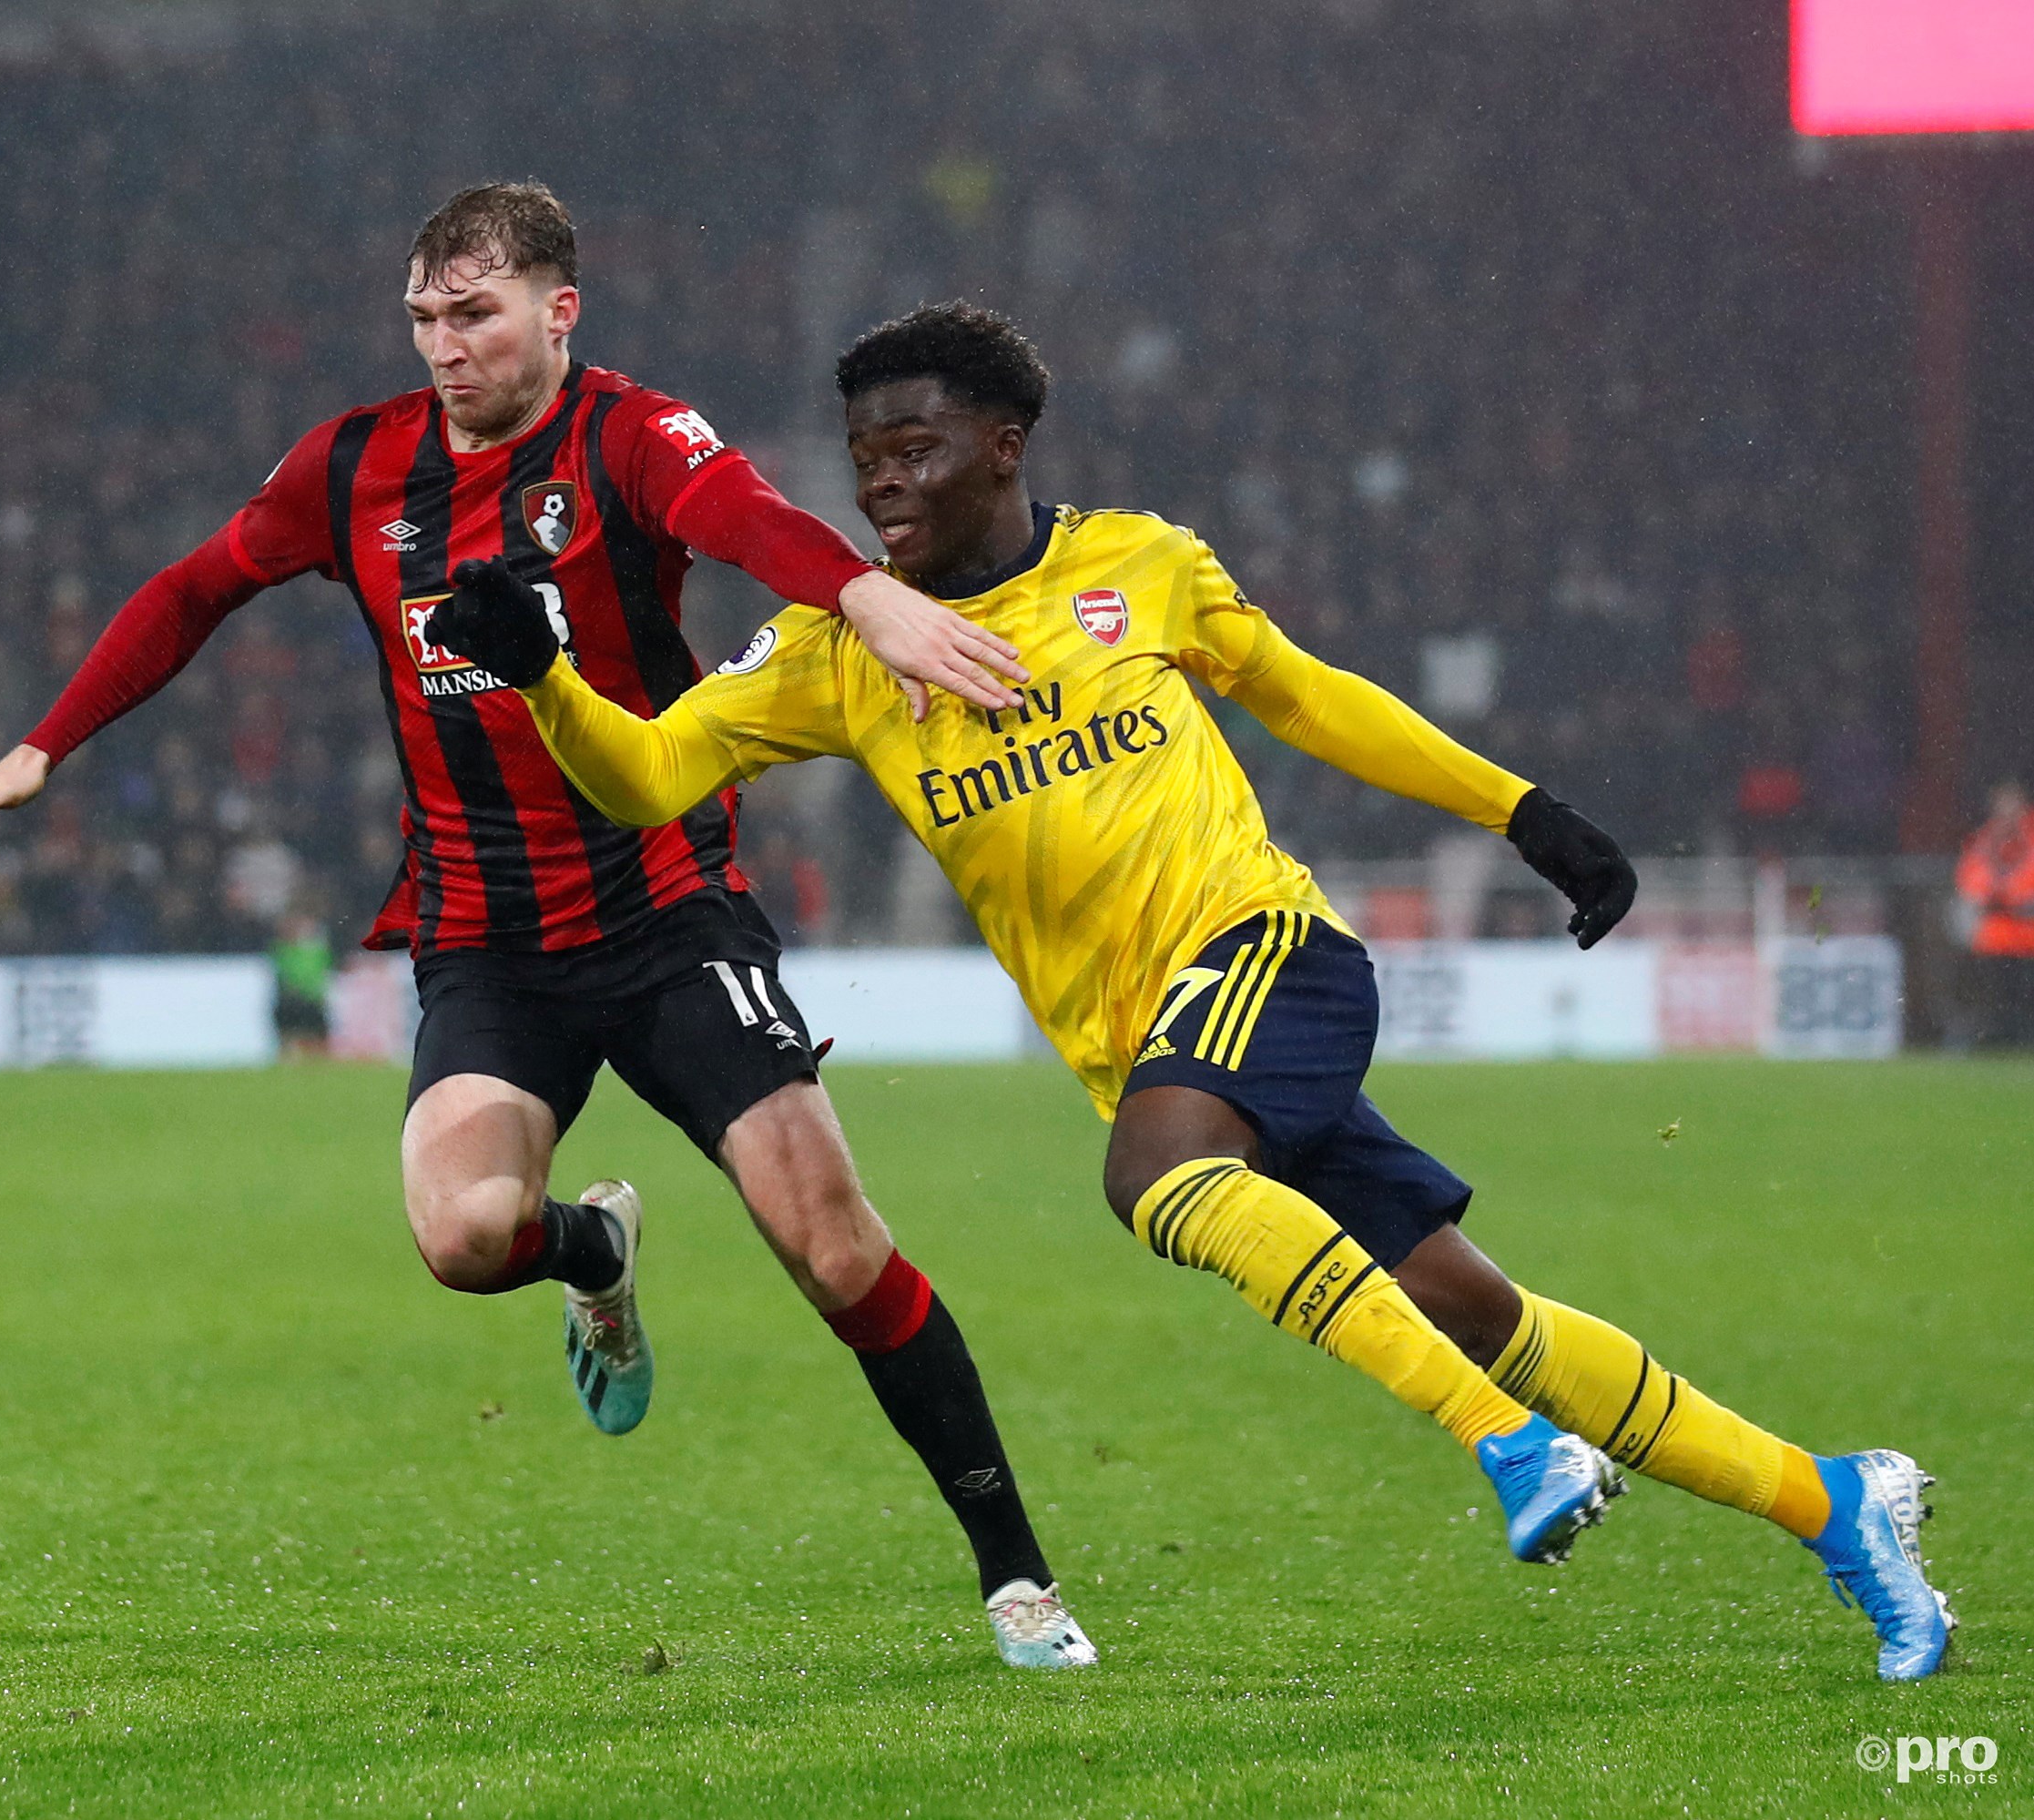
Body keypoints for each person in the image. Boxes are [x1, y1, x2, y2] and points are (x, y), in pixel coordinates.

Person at [436, 301, 1955, 1681]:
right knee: (1470, 1303)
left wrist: (1520, 811)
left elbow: (1310, 696)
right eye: (861, 456)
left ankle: (1510, 1447)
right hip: (1156, 1042)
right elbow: (644, 778)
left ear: (1002, 446)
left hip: (1266, 957)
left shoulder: (1134, 566)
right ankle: (1832, 1500)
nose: (879, 481)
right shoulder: (838, 651)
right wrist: (546, 680)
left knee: (1153, 1172)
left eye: (915, 447)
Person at [0, 190, 1091, 1667]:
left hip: (667, 908)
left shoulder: (628, 436)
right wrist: (46, 743)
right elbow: (195, 585)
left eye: (471, 313)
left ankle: (1014, 1575)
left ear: (557, 310)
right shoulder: (353, 468)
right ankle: (592, 1249)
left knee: (830, 1244)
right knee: (464, 1234)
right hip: (484, 939)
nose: (443, 345)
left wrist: (863, 595)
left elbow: (742, 519)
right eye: (423, 317)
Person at [1955, 780, 2034, 1048]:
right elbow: (1972, 882)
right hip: (1994, 937)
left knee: (2023, 997)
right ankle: (1997, 1036)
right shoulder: (1985, 839)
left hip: (2027, 935)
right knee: (1994, 996)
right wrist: (2004, 896)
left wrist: (2006, 896)